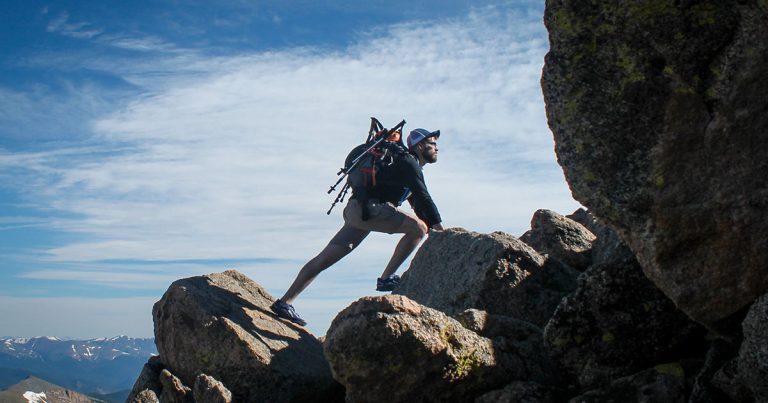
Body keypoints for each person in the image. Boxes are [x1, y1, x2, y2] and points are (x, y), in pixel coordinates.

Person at [271, 128, 444, 325]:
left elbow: (419, 203)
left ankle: (285, 302)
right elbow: (423, 197)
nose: (437, 148)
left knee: (324, 258)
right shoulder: (408, 162)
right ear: (420, 146)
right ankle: (387, 278)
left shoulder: (406, 165)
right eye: (432, 144)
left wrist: (435, 229)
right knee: (418, 228)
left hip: (358, 210)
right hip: (368, 210)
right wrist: (441, 231)